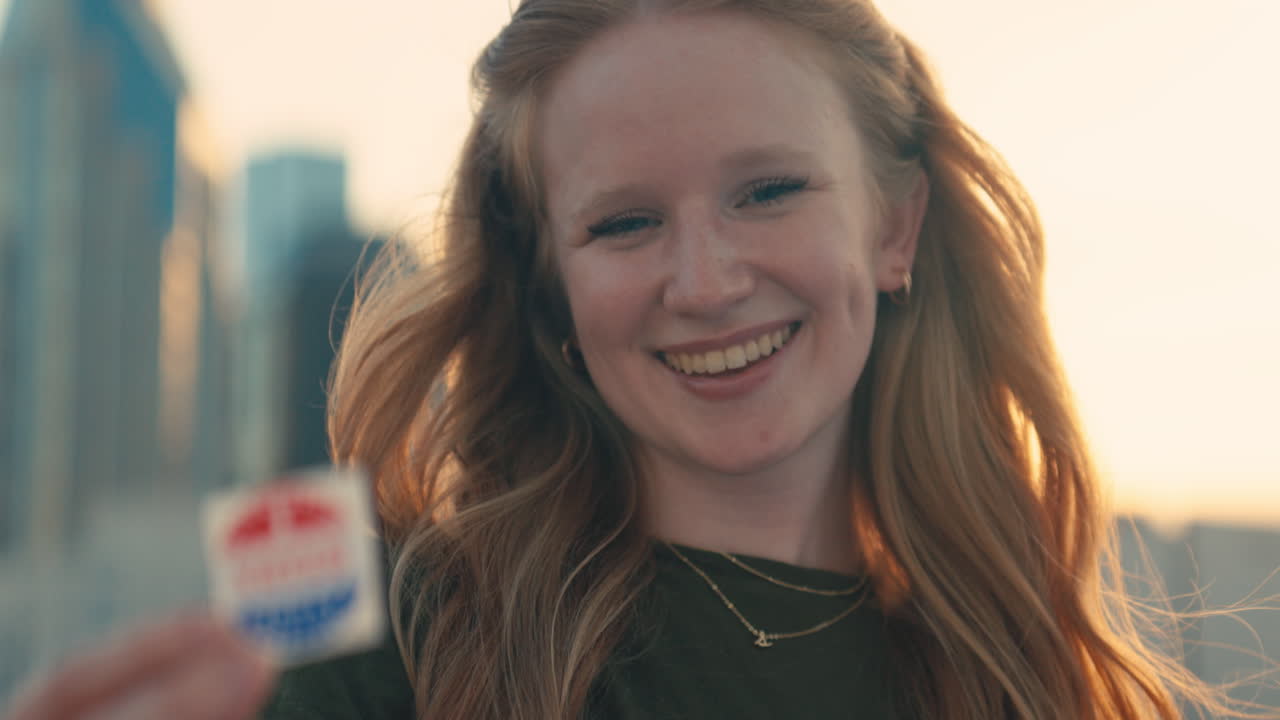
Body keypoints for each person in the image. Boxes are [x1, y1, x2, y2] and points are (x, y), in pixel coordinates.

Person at [8, 1, 1277, 718]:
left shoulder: (1044, 680)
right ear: (549, 283)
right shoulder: (376, 627)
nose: (704, 279)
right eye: (623, 222)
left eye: (767, 191)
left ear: (893, 225)